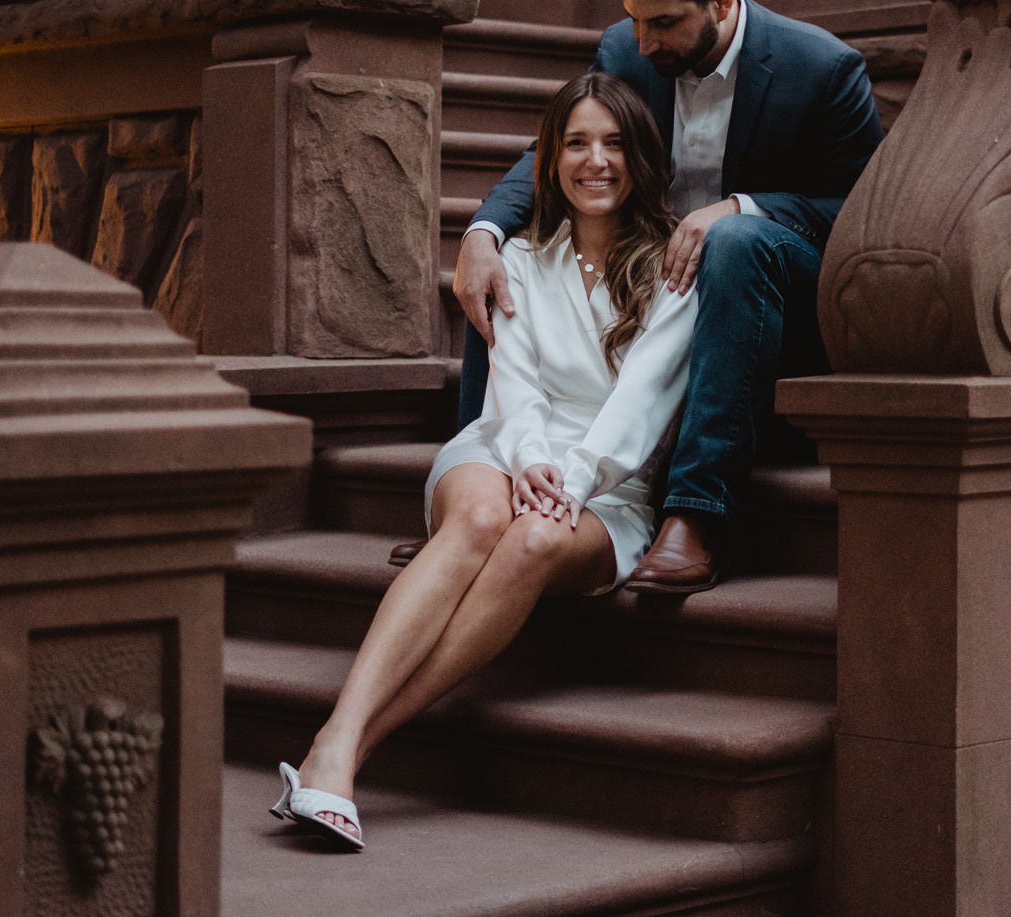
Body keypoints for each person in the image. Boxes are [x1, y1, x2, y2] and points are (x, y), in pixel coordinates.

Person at [270, 72, 694, 850]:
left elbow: (644, 401)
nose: (594, 161)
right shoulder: (522, 259)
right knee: (481, 515)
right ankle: (337, 738)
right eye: (574, 143)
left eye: (611, 143)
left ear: (638, 156)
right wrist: (530, 459)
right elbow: (515, 381)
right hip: (503, 443)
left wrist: (568, 480)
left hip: (609, 481)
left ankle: (346, 749)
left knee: (532, 537)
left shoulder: (674, 268)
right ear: (550, 160)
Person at [452, 0, 884, 594]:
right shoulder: (628, 51)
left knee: (735, 243)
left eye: (663, 23)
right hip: (651, 275)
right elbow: (550, 152)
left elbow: (865, 218)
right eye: (634, 20)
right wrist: (482, 233)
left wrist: (744, 207)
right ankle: (477, 499)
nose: (643, 41)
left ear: (720, 1)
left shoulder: (823, 68)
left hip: (773, 290)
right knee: (508, 252)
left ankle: (695, 514)